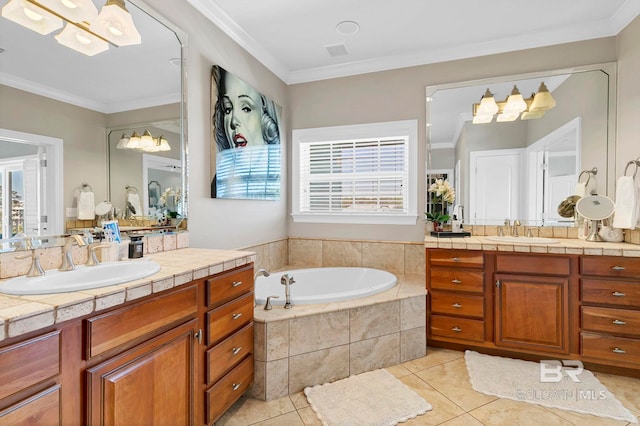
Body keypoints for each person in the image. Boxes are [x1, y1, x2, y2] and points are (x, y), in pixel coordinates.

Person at [210, 66, 281, 199]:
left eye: (246, 108)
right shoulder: (220, 185)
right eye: (227, 109)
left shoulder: (278, 184)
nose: (234, 120)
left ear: (265, 117)